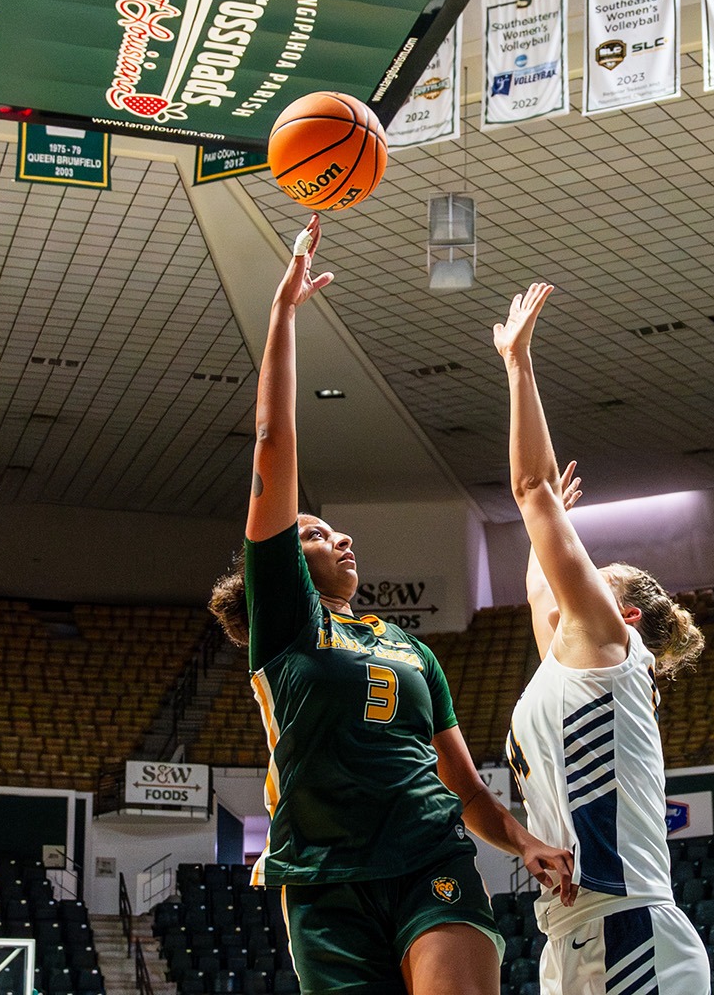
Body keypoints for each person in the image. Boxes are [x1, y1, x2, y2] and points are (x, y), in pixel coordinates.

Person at [207, 218, 575, 995]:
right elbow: (272, 439)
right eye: (314, 533)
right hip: (325, 881)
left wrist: (523, 842)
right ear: (281, 565)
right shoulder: (287, 628)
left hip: (428, 859)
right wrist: (282, 316)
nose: (339, 537)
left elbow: (466, 788)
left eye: (336, 530)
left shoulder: (411, 650)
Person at [493, 282, 710, 995]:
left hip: (628, 927)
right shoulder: (568, 665)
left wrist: (519, 364)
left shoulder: (609, 646)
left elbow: (530, 488)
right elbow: (538, 587)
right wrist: (548, 524)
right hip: (575, 934)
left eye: (593, 577)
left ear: (627, 617)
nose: (574, 583)